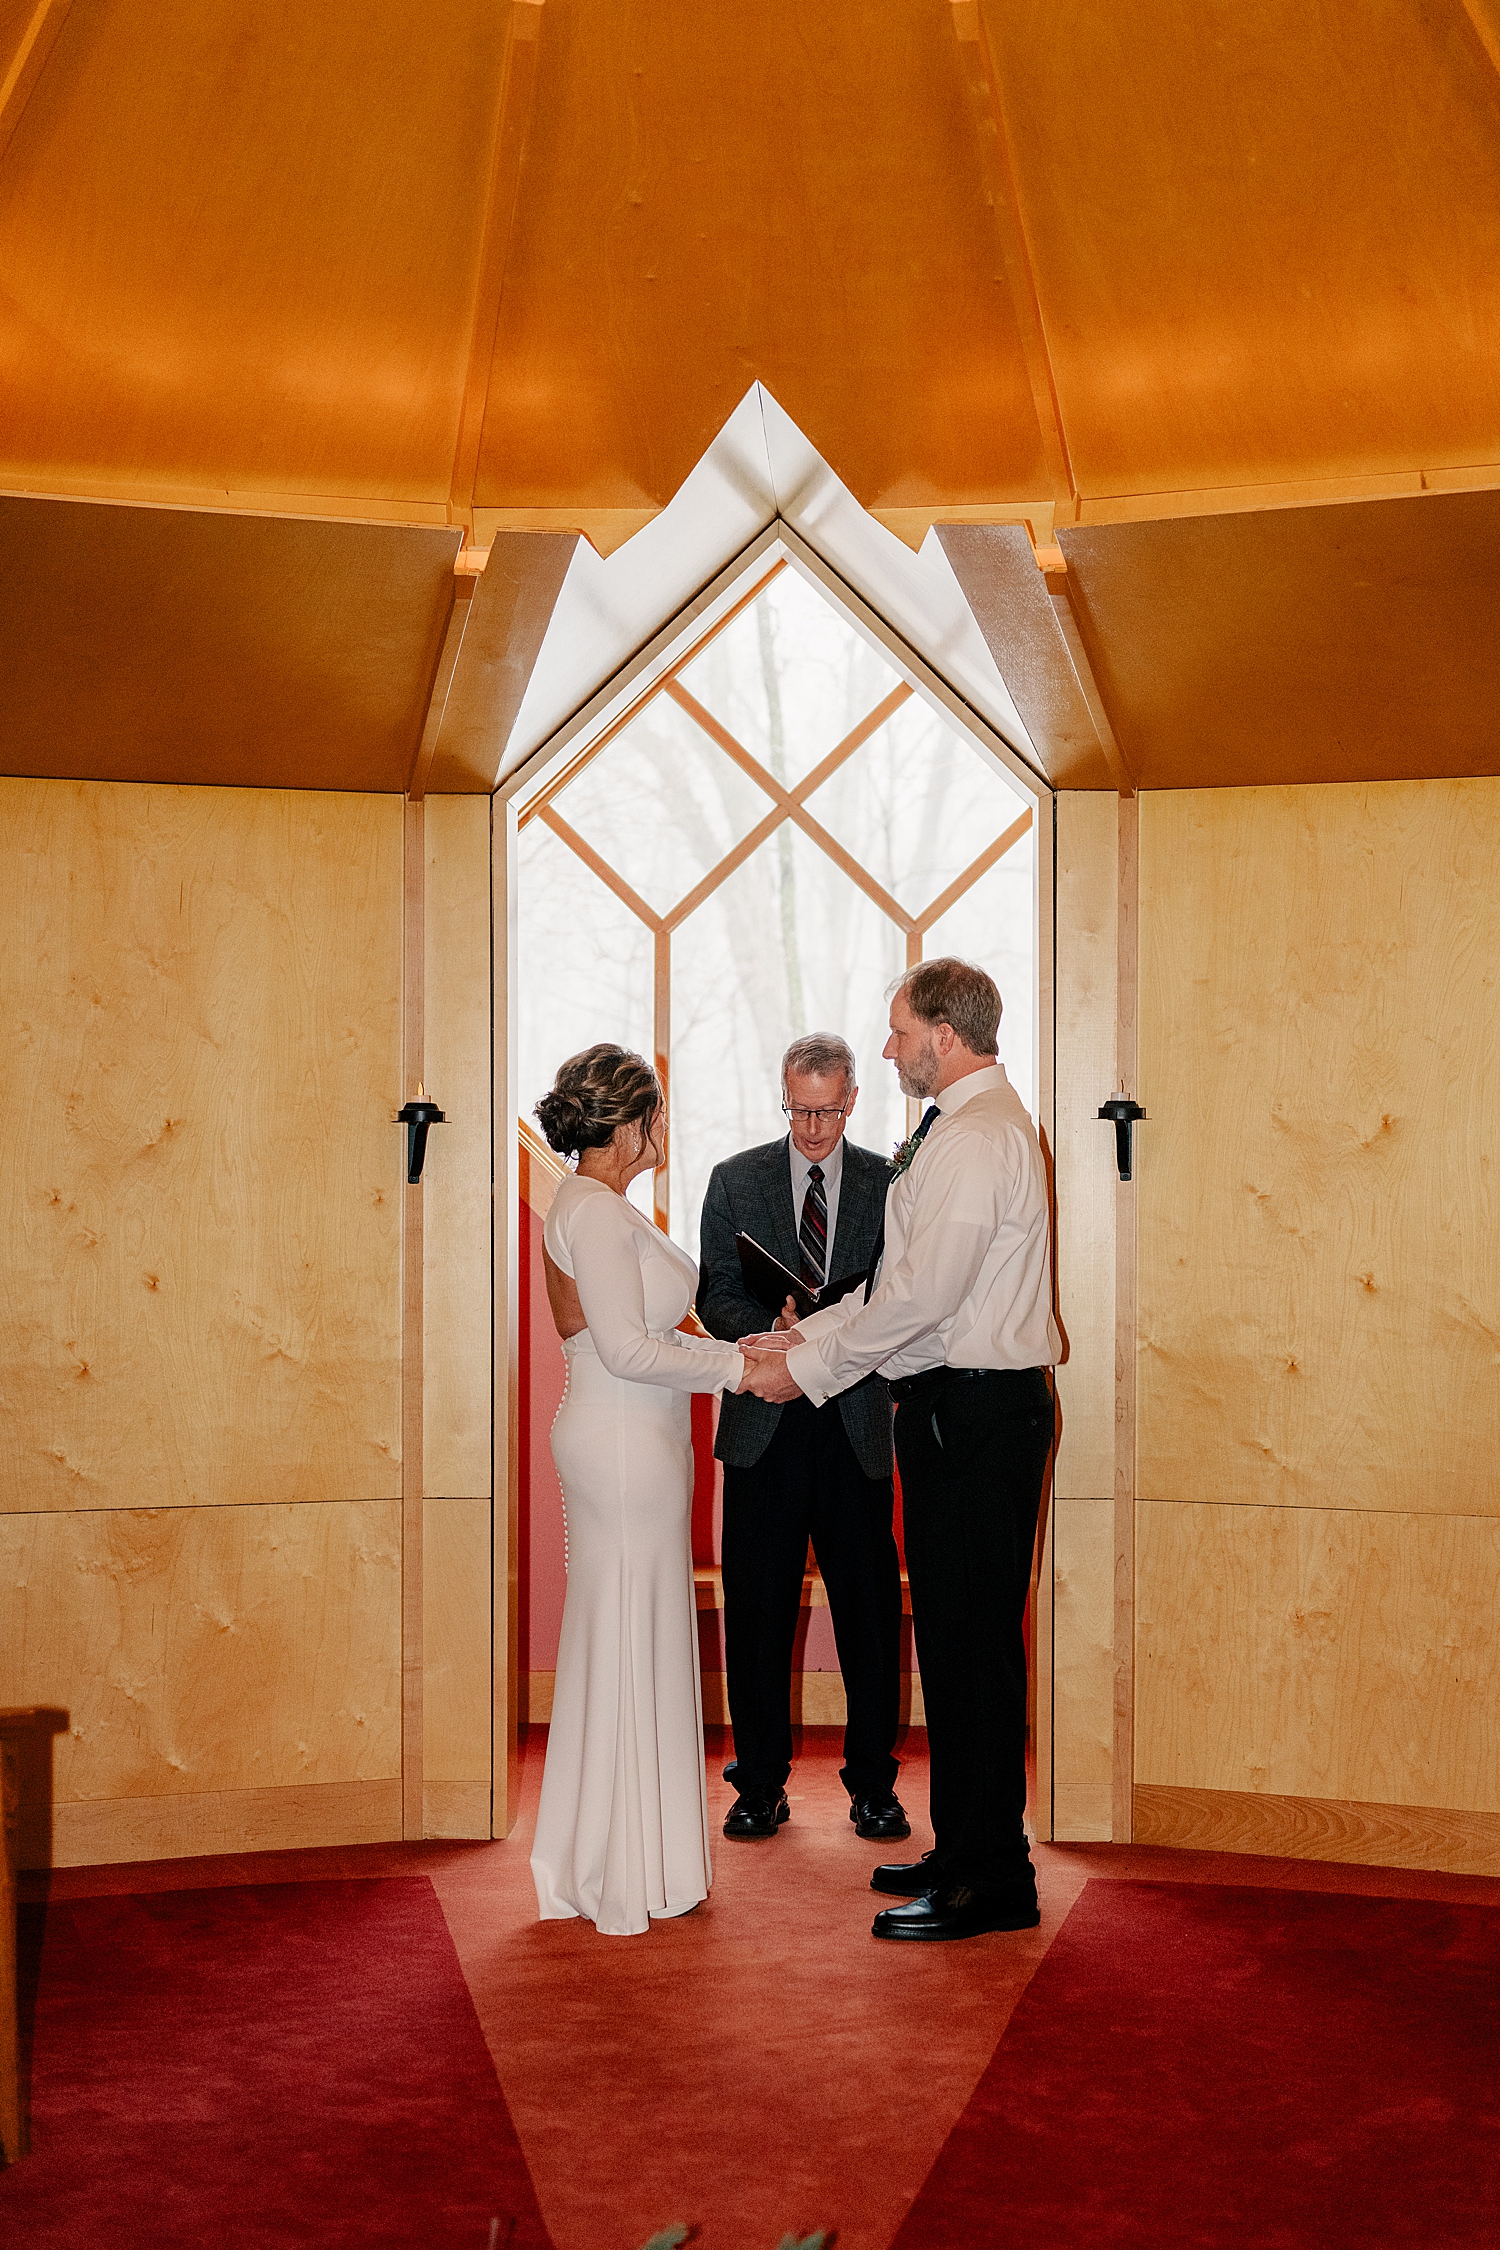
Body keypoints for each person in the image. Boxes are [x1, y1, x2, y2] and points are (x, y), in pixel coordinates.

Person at [740, 960, 1061, 1942]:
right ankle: (966, 1846)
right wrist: (807, 1343)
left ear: (944, 1035)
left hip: (974, 1414)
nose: (887, 1049)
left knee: (971, 1653)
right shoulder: (965, 1130)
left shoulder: (976, 1139)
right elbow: (901, 1291)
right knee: (961, 1645)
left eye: (897, 1033)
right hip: (949, 1411)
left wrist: (810, 1369)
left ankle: (990, 1881)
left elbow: (924, 1301)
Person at [529, 1043, 749, 1937]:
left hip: (641, 1438)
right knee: (626, 1630)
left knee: (638, 1630)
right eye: (657, 1113)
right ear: (630, 1122)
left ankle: (641, 1853)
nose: (665, 1128)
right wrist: (739, 1367)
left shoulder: (601, 1206)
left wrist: (737, 1350)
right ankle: (621, 1866)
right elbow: (622, 1350)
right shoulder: (590, 1210)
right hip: (620, 1442)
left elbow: (647, 1333)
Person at [698, 1034, 908, 1844]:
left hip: (855, 1422)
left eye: (825, 1109)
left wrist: (819, 1341)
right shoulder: (735, 1178)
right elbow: (714, 1289)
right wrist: (770, 1333)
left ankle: (873, 1785)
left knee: (867, 1614)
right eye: (798, 1108)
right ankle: (758, 1785)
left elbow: (898, 1297)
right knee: (755, 1612)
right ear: (782, 1096)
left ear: (853, 1097)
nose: (812, 1126)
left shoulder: (892, 1185)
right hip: (764, 1423)